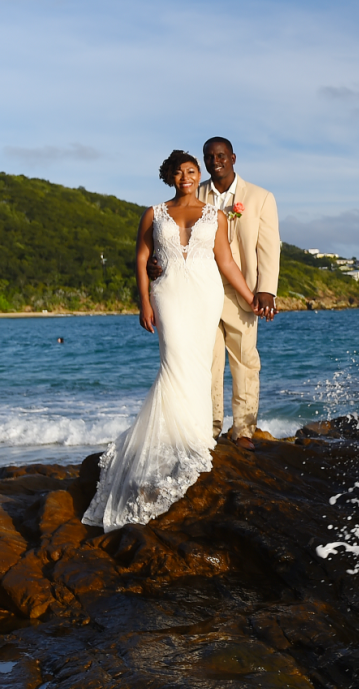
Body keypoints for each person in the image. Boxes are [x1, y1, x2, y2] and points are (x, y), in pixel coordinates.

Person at [82, 151, 257, 533]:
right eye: (178, 172)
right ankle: (172, 439)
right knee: (174, 363)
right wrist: (143, 301)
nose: (186, 177)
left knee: (197, 366)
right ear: (169, 177)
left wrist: (251, 297)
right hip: (168, 294)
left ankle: (193, 435)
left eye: (191, 171)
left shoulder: (217, 215)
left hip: (205, 294)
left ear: (199, 175)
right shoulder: (153, 213)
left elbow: (225, 262)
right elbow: (142, 258)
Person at [197, 138, 279, 450]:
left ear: (233, 157)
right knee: (209, 362)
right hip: (203, 289)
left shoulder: (260, 197)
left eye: (220, 156)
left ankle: (243, 429)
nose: (215, 161)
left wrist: (266, 290)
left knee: (245, 359)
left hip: (243, 291)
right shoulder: (195, 193)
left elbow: (269, 248)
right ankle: (209, 429)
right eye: (209, 156)